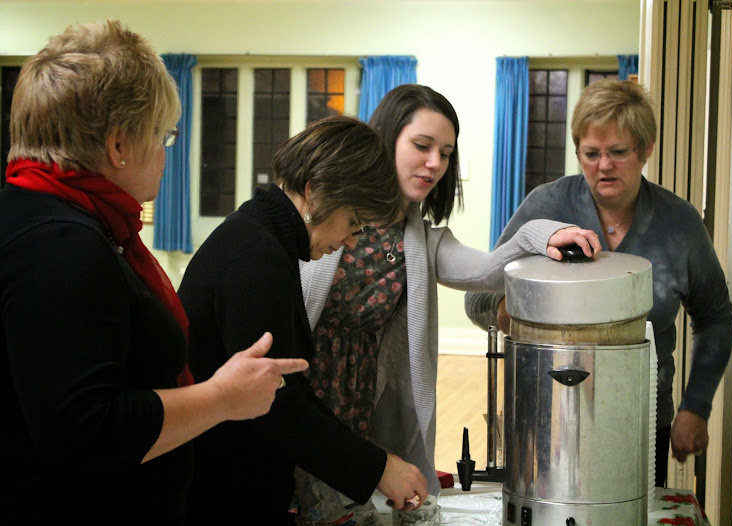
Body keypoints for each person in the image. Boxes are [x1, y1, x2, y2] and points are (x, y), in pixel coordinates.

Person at [0, 20, 309, 525]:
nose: (168, 154)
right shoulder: (59, 243)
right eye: (163, 136)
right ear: (119, 146)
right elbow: (85, 432)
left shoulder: (52, 219)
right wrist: (221, 398)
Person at [297, 84, 601, 523]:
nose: (435, 163)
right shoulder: (325, 213)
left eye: (445, 152)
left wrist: (543, 234)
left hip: (358, 401)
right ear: (386, 139)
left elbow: (489, 271)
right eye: (422, 146)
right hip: (299, 392)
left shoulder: (421, 242)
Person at [465, 78, 732, 487]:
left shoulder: (679, 224)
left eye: (618, 153)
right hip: (546, 418)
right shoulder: (546, 206)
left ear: (646, 149)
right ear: (577, 151)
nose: (603, 166)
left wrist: (695, 406)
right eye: (590, 154)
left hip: (642, 420)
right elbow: (476, 297)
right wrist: (510, 310)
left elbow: (715, 317)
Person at [178, 115, 429, 524]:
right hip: (220, 491)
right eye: (352, 223)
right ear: (316, 192)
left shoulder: (260, 236)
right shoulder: (258, 257)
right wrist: (378, 468)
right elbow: (275, 405)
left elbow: (282, 387)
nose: (350, 241)